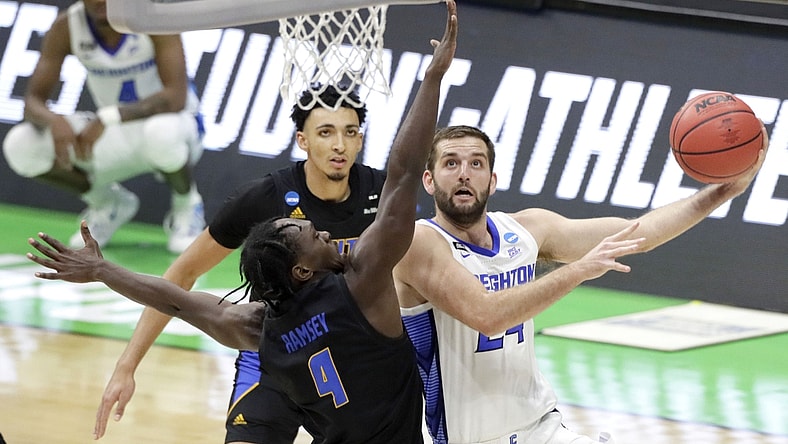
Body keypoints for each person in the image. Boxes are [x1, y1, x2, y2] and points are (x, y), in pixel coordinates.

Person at [27, 2, 458, 442]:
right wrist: (432, 79)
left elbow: (178, 301)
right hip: (317, 385)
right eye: (310, 232)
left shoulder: (256, 325)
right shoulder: (357, 277)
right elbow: (406, 172)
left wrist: (103, 270)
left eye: (350, 131)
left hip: (293, 360)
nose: (322, 230)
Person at [393, 124, 768, 444]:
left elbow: (642, 234)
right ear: (429, 180)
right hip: (469, 437)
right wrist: (578, 270)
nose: (464, 173)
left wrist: (722, 192)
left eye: (476, 163)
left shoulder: (526, 229)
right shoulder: (419, 243)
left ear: (492, 181)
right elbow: (487, 314)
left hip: (541, 426)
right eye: (451, 163)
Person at [2, 0, 205, 254]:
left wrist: (108, 117)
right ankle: (108, 202)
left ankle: (187, 205)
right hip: (117, 131)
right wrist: (54, 121)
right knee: (21, 145)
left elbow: (175, 98)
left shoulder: (152, 16)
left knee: (161, 134)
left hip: (178, 127)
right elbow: (32, 101)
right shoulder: (67, 25)